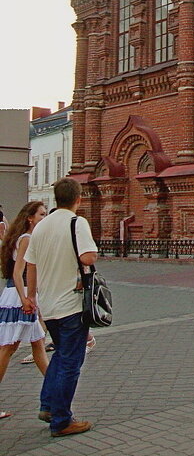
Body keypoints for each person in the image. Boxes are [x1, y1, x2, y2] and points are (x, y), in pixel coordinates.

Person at [24, 178, 98, 438]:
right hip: (71, 305)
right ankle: (62, 420)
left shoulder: (42, 226)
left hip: (49, 306)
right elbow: (88, 257)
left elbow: (30, 265)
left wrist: (31, 297)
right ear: (78, 198)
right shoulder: (76, 222)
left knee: (61, 356)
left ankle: (47, 406)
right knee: (70, 362)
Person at [0, 201, 48, 420]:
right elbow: (18, 272)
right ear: (30, 218)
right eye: (41, 214)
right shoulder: (27, 239)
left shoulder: (22, 238)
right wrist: (25, 298)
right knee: (8, 349)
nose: (44, 218)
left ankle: (55, 392)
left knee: (37, 344)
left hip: (22, 295)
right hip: (22, 296)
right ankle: (56, 393)